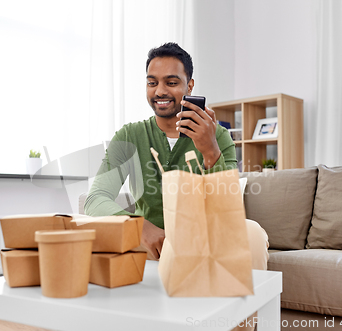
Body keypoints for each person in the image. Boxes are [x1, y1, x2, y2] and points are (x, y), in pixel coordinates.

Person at [84, 42, 268, 270]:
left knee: (252, 233)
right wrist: (139, 227)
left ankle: (246, 305)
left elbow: (227, 209)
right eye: (152, 83)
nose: (160, 91)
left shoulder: (218, 135)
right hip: (150, 243)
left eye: (171, 83)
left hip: (202, 239)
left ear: (189, 86)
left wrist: (210, 151)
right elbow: (95, 199)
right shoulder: (130, 135)